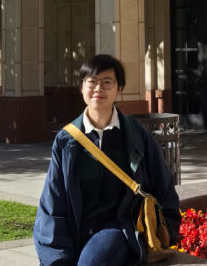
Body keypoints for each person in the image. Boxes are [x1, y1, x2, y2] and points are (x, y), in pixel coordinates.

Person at [34, 54, 180, 265]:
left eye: (107, 82)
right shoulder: (67, 141)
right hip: (77, 229)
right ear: (81, 87)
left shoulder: (135, 136)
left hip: (119, 228)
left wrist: (167, 230)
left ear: (119, 89)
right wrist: (56, 258)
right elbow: (53, 203)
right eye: (91, 81)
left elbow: (162, 184)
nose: (98, 89)